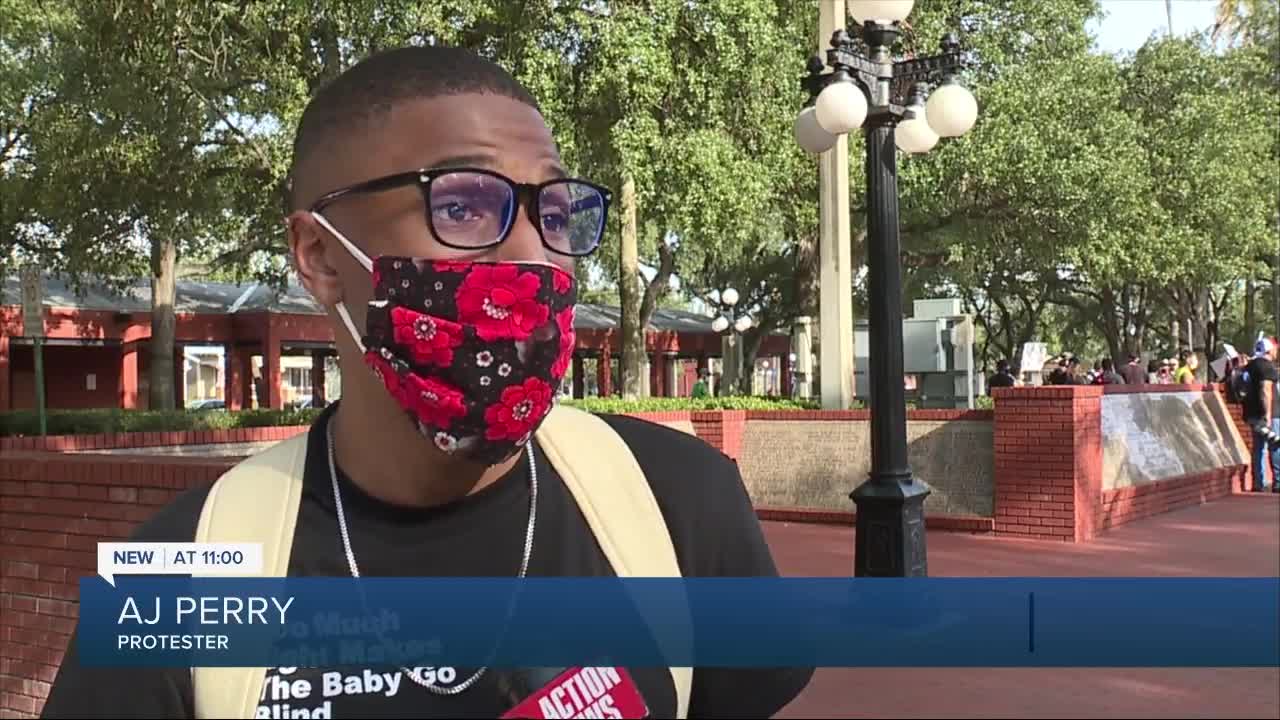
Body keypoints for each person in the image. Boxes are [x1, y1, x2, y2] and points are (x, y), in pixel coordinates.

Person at [41, 46, 813, 718]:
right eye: (464, 204)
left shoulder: (681, 503)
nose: (533, 255)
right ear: (317, 255)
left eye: (552, 209)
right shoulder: (182, 571)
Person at [1242, 337, 1280, 493]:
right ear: (1270, 350)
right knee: (1275, 445)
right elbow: (1266, 390)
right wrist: (1268, 415)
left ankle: (1259, 482)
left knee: (1259, 448)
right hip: (1270, 413)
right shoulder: (1267, 367)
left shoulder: (1249, 366)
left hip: (1251, 413)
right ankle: (1278, 482)